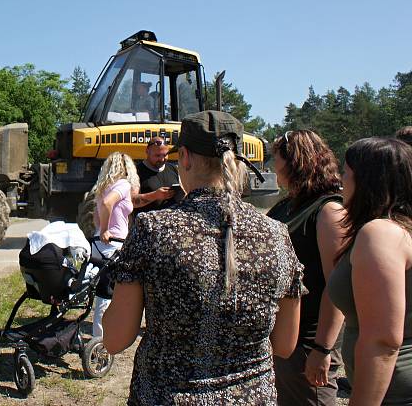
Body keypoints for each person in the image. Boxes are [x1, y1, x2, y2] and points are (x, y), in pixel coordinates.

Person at [103, 110, 305, 405]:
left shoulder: (153, 229)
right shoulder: (277, 234)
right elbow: (285, 345)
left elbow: (115, 339)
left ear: (184, 157)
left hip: (165, 396)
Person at [326, 137, 412, 405]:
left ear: (366, 181)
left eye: (346, 172)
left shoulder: (380, 233)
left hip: (393, 394)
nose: (341, 181)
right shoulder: (399, 228)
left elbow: (382, 341)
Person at [267, 130, 347, 405]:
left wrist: (322, 349)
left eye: (275, 159)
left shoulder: (328, 211)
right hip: (283, 337)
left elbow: (336, 287)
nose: (272, 166)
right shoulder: (287, 205)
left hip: (309, 341)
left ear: (294, 162)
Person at [90, 151, 140, 337]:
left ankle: (101, 335)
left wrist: (100, 229)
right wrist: (105, 229)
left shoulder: (103, 186)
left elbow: (96, 212)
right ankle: (101, 340)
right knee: (106, 294)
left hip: (99, 244)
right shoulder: (123, 185)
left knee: (99, 292)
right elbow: (107, 204)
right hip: (113, 243)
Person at [131, 137, 182, 214]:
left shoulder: (173, 169)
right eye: (157, 155)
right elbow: (131, 201)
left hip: (171, 222)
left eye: (165, 155)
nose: (161, 159)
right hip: (146, 223)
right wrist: (155, 195)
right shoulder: (136, 172)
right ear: (147, 151)